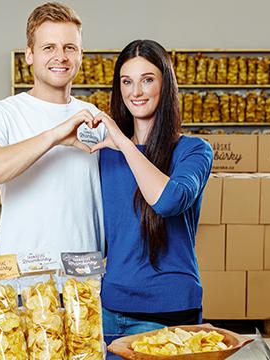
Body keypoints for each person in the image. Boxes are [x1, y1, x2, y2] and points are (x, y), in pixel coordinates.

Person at [89, 40, 213, 342]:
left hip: (166, 310)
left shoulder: (193, 151)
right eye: (126, 82)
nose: (136, 92)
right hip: (109, 308)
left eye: (147, 80)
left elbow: (168, 200)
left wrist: (124, 144)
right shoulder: (105, 154)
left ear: (165, 85)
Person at [0, 2, 106, 260]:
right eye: (49, 47)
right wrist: (55, 136)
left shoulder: (94, 117)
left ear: (80, 55)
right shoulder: (2, 113)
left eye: (69, 48)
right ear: (29, 54)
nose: (61, 57)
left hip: (84, 280)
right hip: (21, 281)